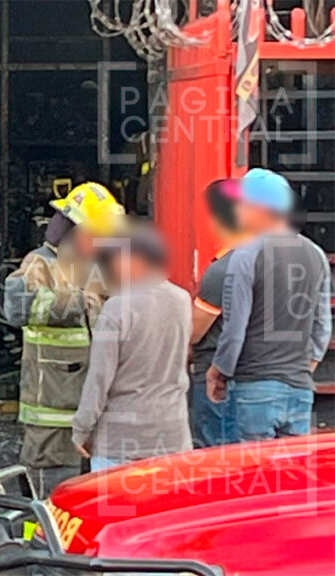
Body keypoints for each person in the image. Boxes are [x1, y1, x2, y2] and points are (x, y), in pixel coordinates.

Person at [2, 182, 123, 496]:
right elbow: (15, 307)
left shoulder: (99, 266)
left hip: (93, 414)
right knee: (51, 497)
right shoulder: (39, 264)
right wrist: (79, 302)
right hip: (52, 417)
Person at [206, 168, 332, 441]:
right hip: (300, 389)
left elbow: (235, 329)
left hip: (254, 388)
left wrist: (219, 372)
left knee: (252, 466)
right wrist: (303, 368)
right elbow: (322, 328)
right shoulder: (316, 254)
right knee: (291, 467)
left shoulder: (245, 255)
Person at [72, 222, 193, 470]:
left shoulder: (117, 307)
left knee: (114, 498)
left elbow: (99, 378)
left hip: (121, 440)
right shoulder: (181, 300)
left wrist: (82, 428)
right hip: (173, 435)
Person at [189, 179, 245, 447]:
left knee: (213, 455)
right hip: (250, 377)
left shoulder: (222, 271)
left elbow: (193, 332)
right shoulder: (264, 261)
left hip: (215, 377)